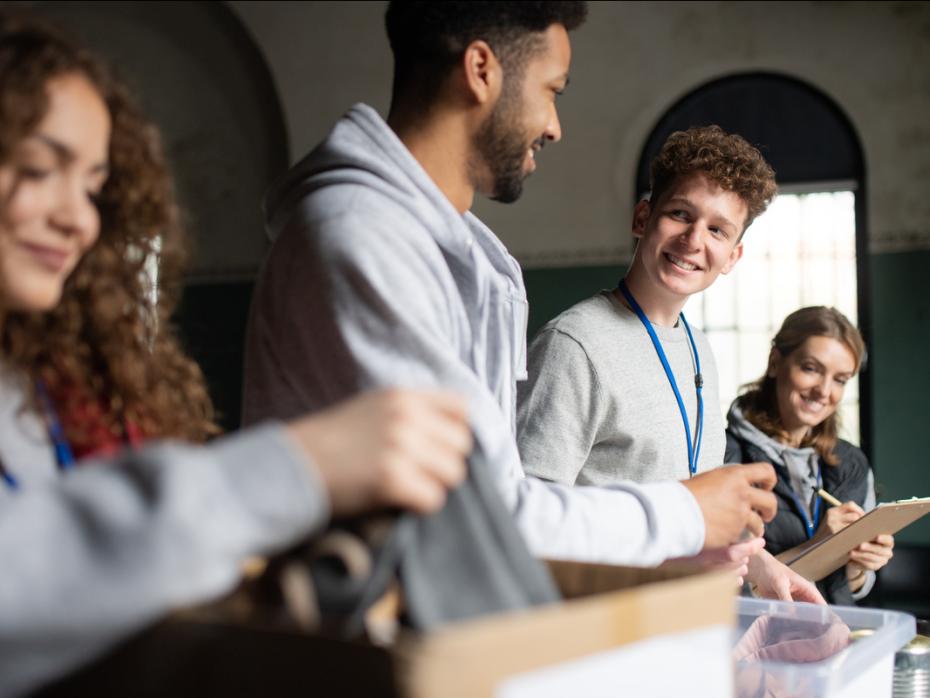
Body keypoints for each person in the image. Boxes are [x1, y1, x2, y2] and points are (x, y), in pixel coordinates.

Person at [0, 13, 470, 696]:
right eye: (41, 168)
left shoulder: (47, 383)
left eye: (95, 186)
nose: (79, 218)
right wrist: (297, 466)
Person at [243, 1, 780, 569]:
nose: (554, 126)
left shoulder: (461, 252)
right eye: (552, 90)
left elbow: (492, 498)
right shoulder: (363, 237)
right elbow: (480, 520)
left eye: (719, 230)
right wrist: (684, 516)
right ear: (481, 70)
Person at [514, 125, 822, 599]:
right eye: (680, 214)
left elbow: (704, 505)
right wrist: (675, 553)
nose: (694, 239)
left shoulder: (699, 349)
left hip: (683, 619)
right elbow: (525, 527)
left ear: (732, 256)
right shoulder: (573, 345)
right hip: (602, 625)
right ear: (643, 217)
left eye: (718, 229)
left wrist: (765, 568)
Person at [725, 306, 894, 605]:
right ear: (775, 362)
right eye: (811, 369)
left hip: (838, 635)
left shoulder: (852, 463)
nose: (824, 391)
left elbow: (855, 586)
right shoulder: (724, 456)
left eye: (840, 379)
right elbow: (730, 587)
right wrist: (819, 548)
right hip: (758, 641)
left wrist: (859, 565)